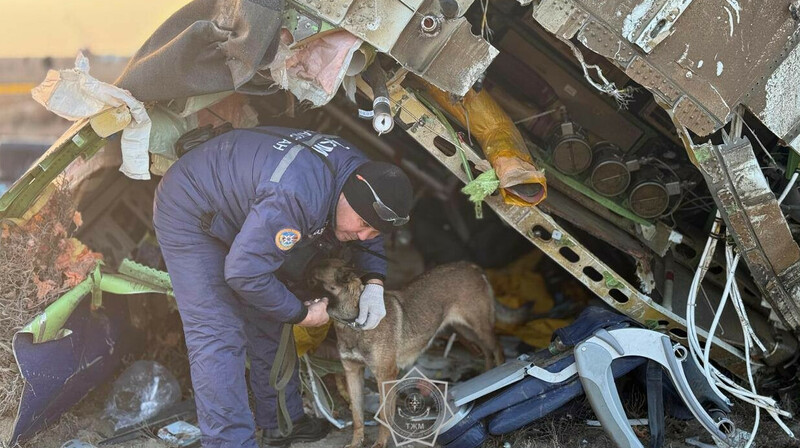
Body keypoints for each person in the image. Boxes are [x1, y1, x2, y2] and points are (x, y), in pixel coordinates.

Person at [152, 126, 414, 448]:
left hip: (244, 205)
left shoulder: (363, 176)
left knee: (269, 313)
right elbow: (244, 273)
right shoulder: (297, 197)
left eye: (373, 232)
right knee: (217, 333)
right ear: (347, 196)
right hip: (191, 207)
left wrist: (375, 281)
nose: (363, 237)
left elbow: (369, 234)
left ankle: (282, 424)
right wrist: (300, 313)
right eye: (362, 225)